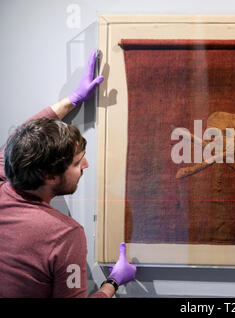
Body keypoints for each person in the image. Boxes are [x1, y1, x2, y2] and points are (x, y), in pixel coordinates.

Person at [0, 50, 136, 297]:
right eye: (76, 162)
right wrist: (113, 283)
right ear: (50, 175)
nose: (86, 165)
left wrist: (73, 99)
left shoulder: (5, 183)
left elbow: (18, 138)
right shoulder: (64, 236)